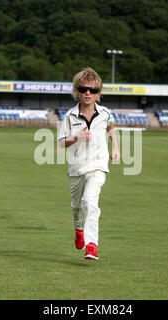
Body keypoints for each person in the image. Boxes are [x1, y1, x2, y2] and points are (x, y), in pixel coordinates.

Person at [58, 67, 120, 260]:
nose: (88, 93)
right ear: (77, 91)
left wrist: (115, 148)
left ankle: (92, 245)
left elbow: (111, 127)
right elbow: (61, 143)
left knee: (90, 202)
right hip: (76, 168)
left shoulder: (105, 113)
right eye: (84, 89)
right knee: (77, 206)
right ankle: (79, 230)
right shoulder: (69, 116)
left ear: (98, 93)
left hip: (98, 166)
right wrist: (76, 137)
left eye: (93, 90)